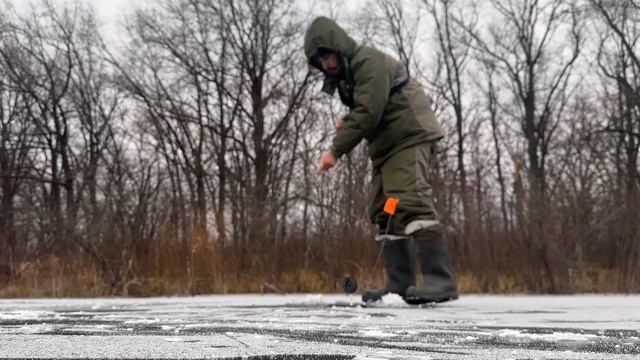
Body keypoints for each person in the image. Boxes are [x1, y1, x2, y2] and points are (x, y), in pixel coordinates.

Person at [304, 16, 458, 304]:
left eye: (326, 55)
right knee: (384, 209)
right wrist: (349, 119)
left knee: (407, 197)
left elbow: (370, 111)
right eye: (319, 61)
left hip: (408, 136)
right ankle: (399, 282)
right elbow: (368, 108)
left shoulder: (367, 61)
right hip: (385, 146)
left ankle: (440, 280)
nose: (325, 64)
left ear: (338, 47)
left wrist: (335, 149)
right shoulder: (347, 78)